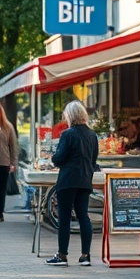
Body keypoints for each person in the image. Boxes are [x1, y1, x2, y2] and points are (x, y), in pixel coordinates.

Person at [45, 100, 99, 267]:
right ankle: (85, 255)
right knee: (83, 216)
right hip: (85, 180)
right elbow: (94, 159)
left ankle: (62, 255)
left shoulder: (68, 134)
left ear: (70, 116)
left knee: (65, 217)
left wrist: (53, 158)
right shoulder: (92, 135)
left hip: (68, 180)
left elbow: (59, 158)